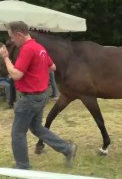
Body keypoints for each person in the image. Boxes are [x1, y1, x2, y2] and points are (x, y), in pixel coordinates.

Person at [0, 21, 77, 169]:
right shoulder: (40, 48)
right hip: (41, 96)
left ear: (19, 34)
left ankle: (22, 168)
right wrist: (34, 73)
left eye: (12, 38)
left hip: (29, 99)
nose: (11, 41)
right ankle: (67, 149)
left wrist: (5, 57)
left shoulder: (27, 49)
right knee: (36, 128)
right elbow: (52, 67)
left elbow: (16, 75)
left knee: (17, 134)